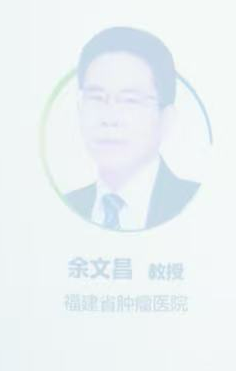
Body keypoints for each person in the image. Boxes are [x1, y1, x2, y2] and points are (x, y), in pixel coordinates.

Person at [62, 26, 200, 231]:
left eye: (130, 101)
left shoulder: (195, 205)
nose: (110, 119)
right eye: (96, 98)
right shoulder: (65, 207)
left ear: (166, 118)